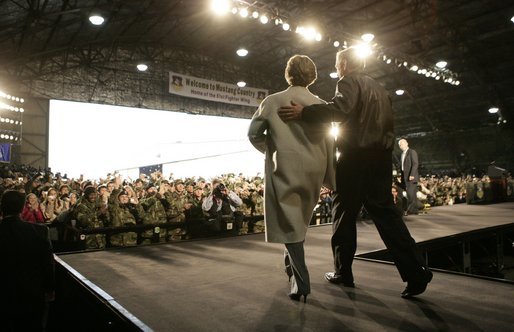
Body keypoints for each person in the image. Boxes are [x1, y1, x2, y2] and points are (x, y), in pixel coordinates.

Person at [278, 49, 432, 298]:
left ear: (346, 64)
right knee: (388, 218)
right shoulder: (380, 88)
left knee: (343, 215)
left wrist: (304, 113)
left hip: (356, 159)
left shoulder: (348, 81)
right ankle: (416, 272)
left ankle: (343, 272)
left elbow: (340, 110)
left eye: (337, 64)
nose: (336, 68)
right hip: (381, 159)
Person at [248, 54, 335, 302]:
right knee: (297, 223)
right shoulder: (321, 104)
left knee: (291, 225)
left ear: (288, 73)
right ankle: (292, 273)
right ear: (312, 76)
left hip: (284, 168)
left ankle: (302, 281)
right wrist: (330, 176)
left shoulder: (273, 101)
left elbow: (254, 134)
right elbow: (331, 142)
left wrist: (272, 150)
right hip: (314, 170)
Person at [0, 190, 55, 331]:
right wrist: (49, 288)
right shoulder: (39, 231)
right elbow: (47, 263)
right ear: (21, 207)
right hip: (32, 293)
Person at [398, 138, 420, 215]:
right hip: (405, 177)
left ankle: (410, 210)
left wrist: (412, 174)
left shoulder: (412, 152)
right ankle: (414, 210)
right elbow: (402, 167)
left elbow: (415, 164)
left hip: (411, 177)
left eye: (402, 144)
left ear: (407, 143)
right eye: (400, 145)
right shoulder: (402, 154)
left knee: (410, 194)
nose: (401, 146)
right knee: (412, 194)